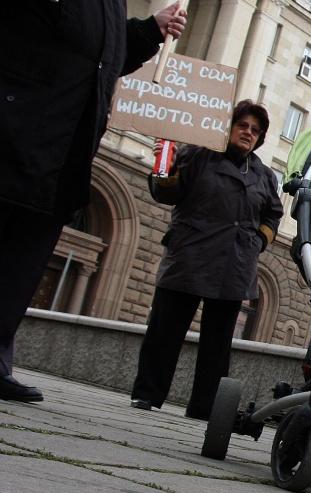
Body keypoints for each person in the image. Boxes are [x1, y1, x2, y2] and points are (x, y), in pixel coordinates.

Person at [0, 3, 187, 402]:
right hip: (16, 135)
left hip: (62, 155)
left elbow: (106, 57)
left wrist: (152, 29)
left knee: (21, 266)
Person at [130, 100, 283, 419]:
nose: (248, 133)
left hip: (236, 264)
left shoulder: (265, 176)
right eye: (243, 125)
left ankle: (204, 407)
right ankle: (147, 395)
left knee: (218, 343)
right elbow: (167, 192)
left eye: (255, 130)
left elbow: (273, 214)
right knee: (165, 331)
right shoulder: (198, 154)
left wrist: (257, 242)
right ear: (228, 127)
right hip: (190, 255)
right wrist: (164, 168)